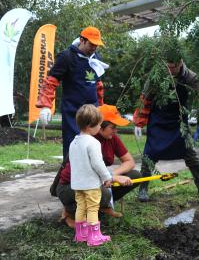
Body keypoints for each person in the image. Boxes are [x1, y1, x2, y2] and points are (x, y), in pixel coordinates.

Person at [133, 41, 199, 202]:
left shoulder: (189, 76)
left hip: (178, 122)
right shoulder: (156, 76)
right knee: (149, 154)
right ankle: (143, 189)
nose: (170, 70)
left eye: (174, 67)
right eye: (168, 67)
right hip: (158, 120)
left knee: (190, 154)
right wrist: (138, 122)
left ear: (181, 63)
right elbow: (145, 98)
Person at [57, 104, 142, 228]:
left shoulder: (110, 138)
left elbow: (130, 162)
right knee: (103, 194)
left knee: (134, 176)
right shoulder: (89, 141)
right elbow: (93, 166)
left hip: (93, 180)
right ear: (100, 126)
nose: (115, 130)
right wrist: (110, 178)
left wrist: (113, 175)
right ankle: (71, 215)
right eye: (113, 127)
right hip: (73, 185)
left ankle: (99, 208)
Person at [36, 26, 108, 158]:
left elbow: (98, 85)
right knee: (73, 150)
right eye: (92, 44)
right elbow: (51, 82)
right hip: (73, 113)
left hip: (93, 111)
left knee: (94, 150)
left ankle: (92, 177)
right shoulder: (66, 57)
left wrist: (101, 107)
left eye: (97, 45)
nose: (94, 48)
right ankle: (67, 178)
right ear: (82, 40)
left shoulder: (96, 57)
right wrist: (45, 106)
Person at [70, 104, 112, 246]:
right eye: (99, 125)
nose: (100, 127)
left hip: (77, 184)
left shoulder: (73, 142)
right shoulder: (93, 142)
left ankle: (80, 234)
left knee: (80, 207)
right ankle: (94, 237)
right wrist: (107, 177)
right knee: (92, 208)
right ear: (89, 126)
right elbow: (98, 163)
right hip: (90, 184)